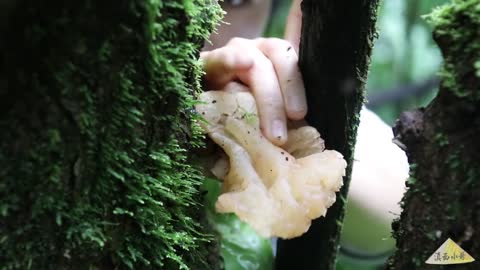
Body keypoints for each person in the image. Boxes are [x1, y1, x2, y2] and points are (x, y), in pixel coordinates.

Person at [201, 0, 409, 264]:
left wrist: (313, 106)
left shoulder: (273, 81)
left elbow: (397, 204)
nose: (204, 29)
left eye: (235, 2)